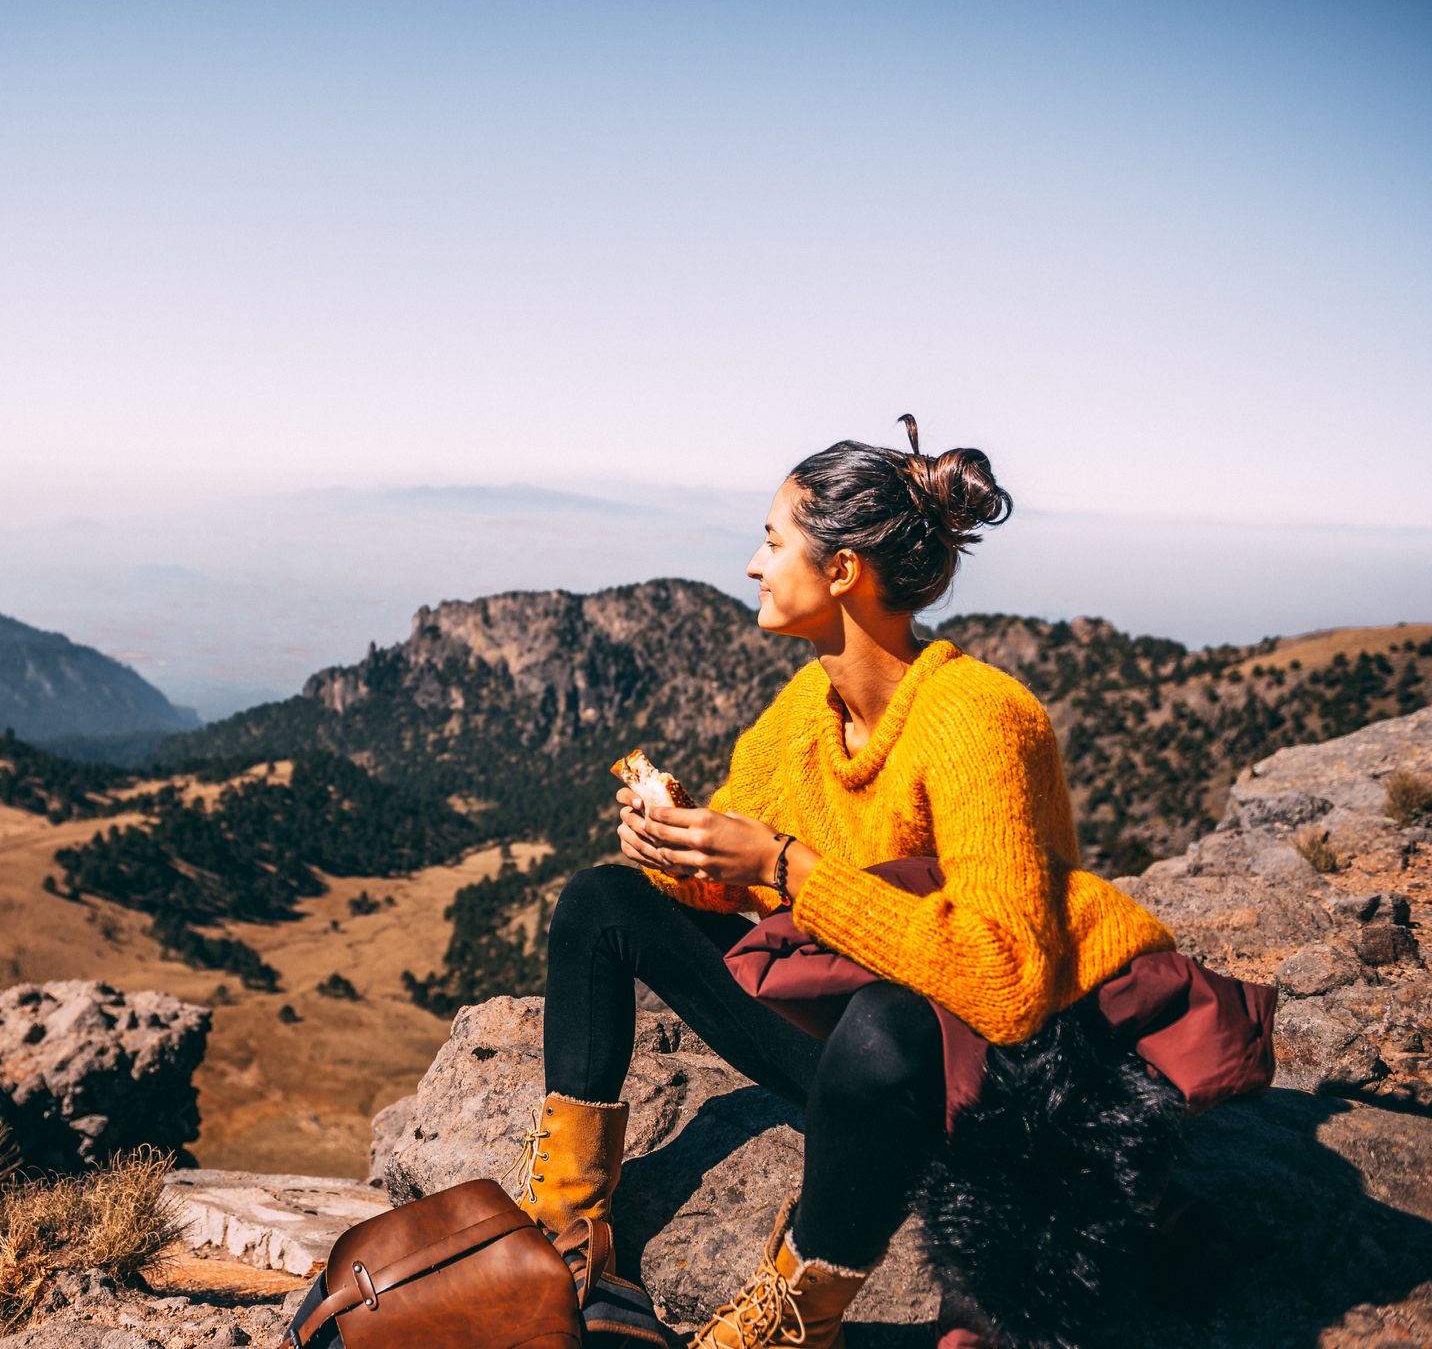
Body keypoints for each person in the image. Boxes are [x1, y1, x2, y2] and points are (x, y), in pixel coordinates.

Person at [506, 417, 1182, 1349]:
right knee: (599, 901)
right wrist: (685, 849)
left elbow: (1008, 981)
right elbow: (733, 885)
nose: (752, 562)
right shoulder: (803, 713)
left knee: (885, 1022)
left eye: (774, 540)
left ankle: (796, 1317)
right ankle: (566, 1232)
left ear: (842, 571)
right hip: (847, 1052)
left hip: (977, 1078)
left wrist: (783, 865)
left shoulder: (979, 719)